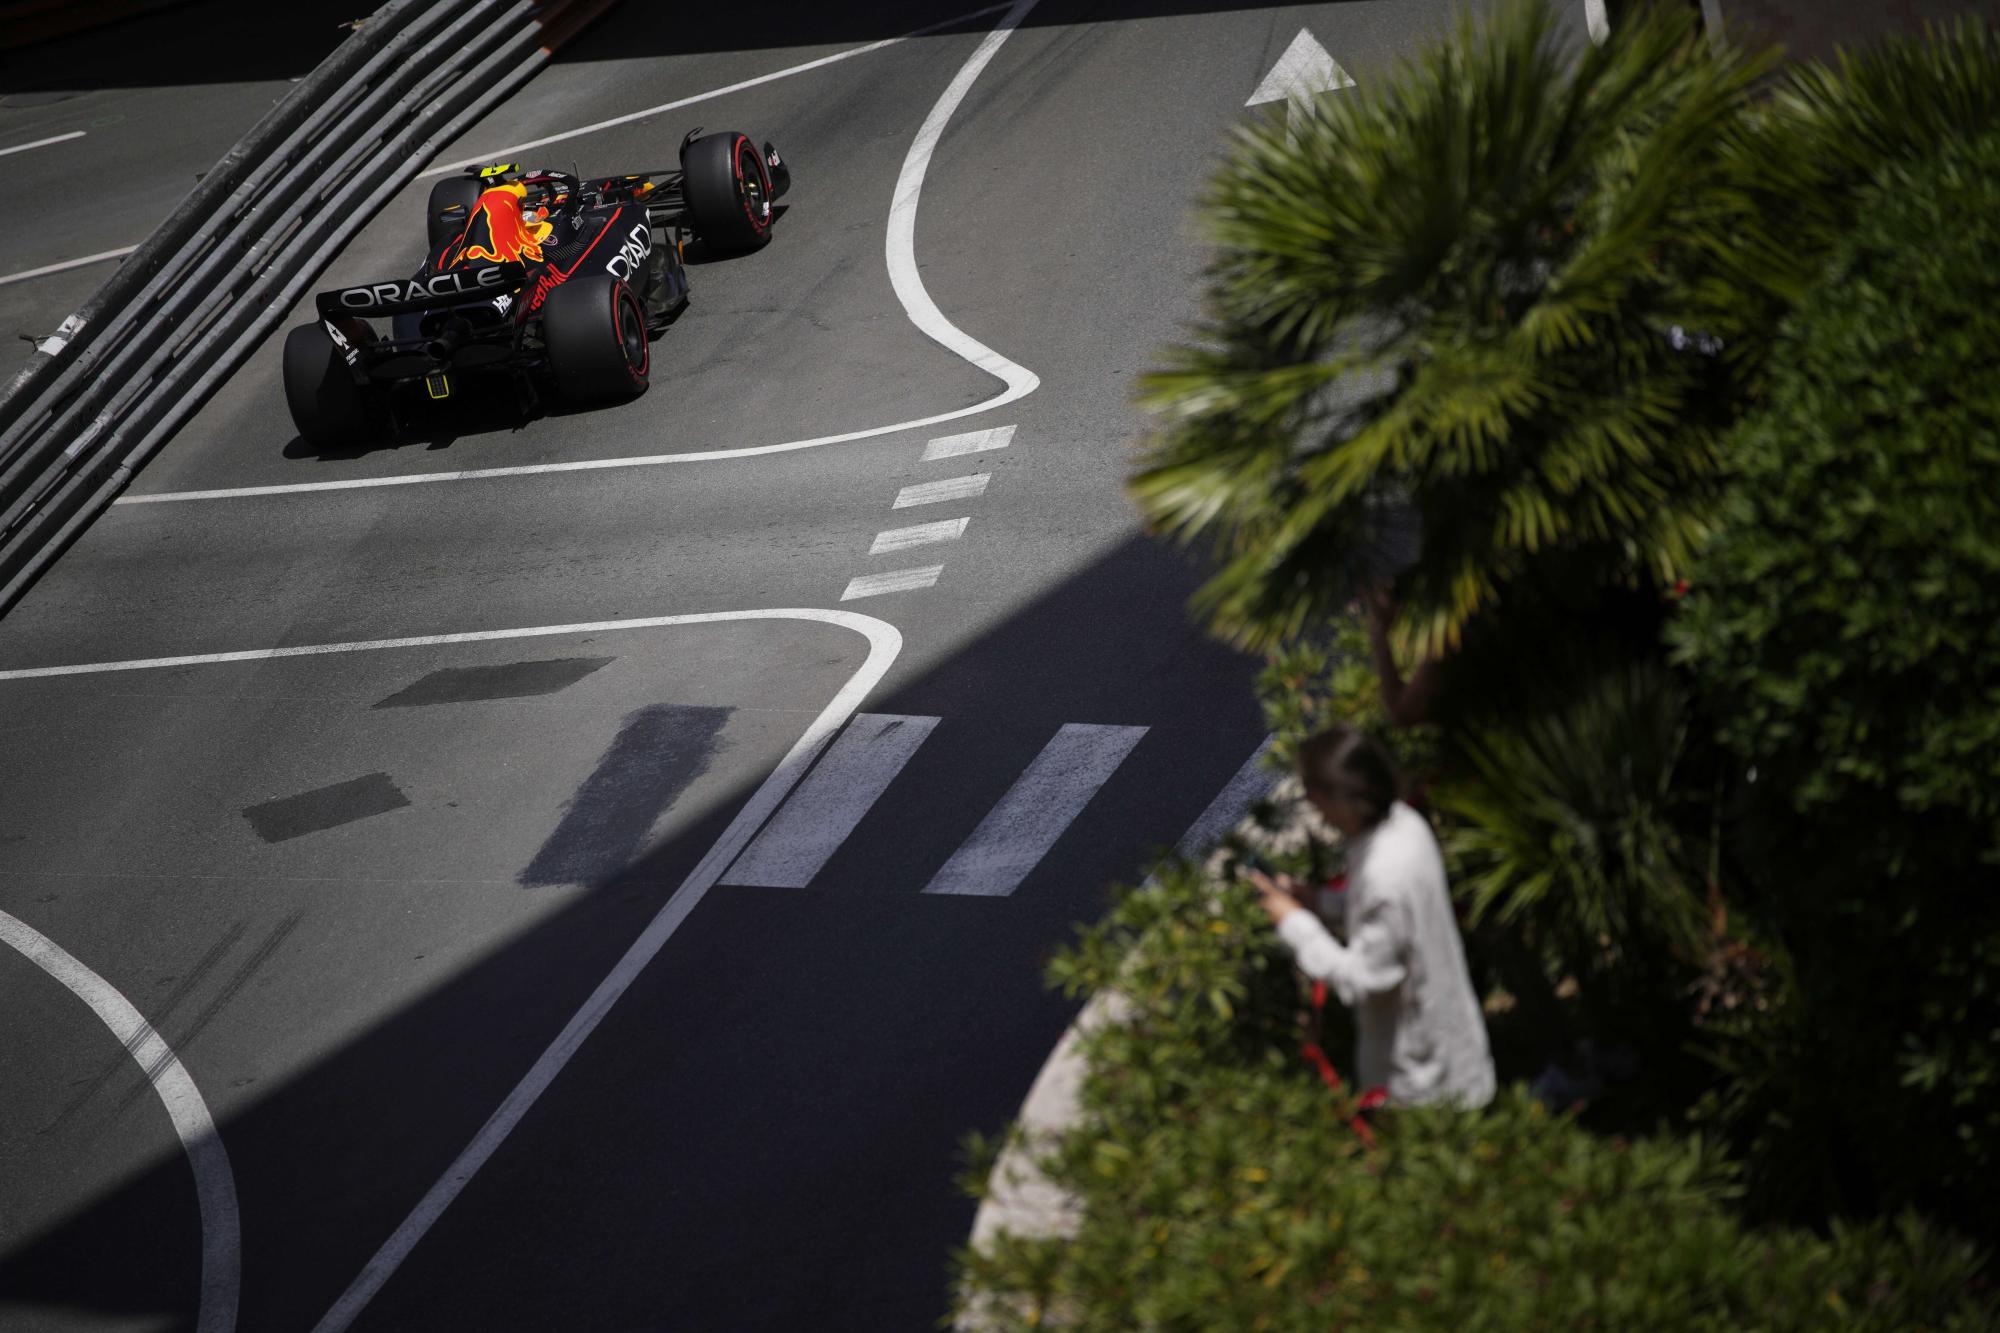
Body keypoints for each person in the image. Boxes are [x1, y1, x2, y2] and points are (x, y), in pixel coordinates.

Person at [1247, 725, 1495, 1108]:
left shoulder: (1383, 873)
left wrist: (1295, 924)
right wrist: (1318, 901)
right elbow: (1389, 919)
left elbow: (1363, 979)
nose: (1312, 805)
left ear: (1340, 795)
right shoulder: (1402, 825)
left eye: (1314, 793)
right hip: (1450, 1046)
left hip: (1420, 1082)